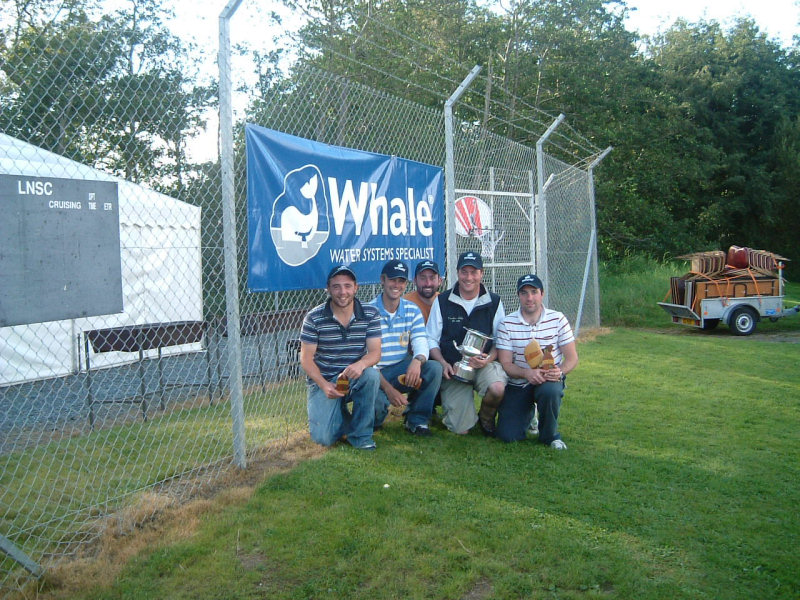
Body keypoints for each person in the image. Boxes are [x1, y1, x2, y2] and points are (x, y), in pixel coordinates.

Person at [299, 264, 382, 450]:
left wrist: (361, 364)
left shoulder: (370, 314)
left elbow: (375, 353)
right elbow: (306, 359)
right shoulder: (313, 318)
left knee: (371, 375)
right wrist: (323, 384)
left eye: (347, 286)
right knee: (324, 438)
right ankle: (340, 414)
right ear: (328, 289)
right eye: (336, 286)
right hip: (325, 381)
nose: (342, 292)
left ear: (356, 287)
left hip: (354, 378)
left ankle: (361, 437)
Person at [426, 251, 507, 435]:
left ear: (481, 274)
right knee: (460, 429)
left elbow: (501, 340)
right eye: (464, 272)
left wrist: (488, 360)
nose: (469, 277)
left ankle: (486, 417)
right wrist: (443, 363)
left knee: (497, 388)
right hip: (454, 370)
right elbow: (431, 338)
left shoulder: (494, 302)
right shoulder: (442, 300)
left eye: (474, 272)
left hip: (482, 366)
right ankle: (462, 414)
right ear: (457, 273)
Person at [495, 274, 579, 448]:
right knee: (507, 435)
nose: (529, 298)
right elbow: (506, 364)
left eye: (534, 292)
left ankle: (550, 436)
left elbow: (572, 358)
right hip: (519, 383)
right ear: (518, 295)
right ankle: (530, 416)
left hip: (548, 380)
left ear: (542, 293)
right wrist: (527, 373)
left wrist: (560, 371)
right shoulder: (507, 323)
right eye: (524, 293)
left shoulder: (558, 319)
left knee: (550, 391)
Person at [369, 260, 443, 436]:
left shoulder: (412, 309)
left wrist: (417, 361)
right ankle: (372, 417)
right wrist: (389, 389)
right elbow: (367, 362)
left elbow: (421, 342)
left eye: (401, 281)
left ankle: (416, 420)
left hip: (400, 368)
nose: (397, 285)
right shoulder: (368, 311)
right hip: (375, 374)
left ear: (406, 284)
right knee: (375, 416)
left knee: (433, 368)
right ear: (383, 280)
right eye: (392, 280)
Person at [404, 259, 443, 323]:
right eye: (423, 278)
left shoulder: (445, 303)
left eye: (432, 278)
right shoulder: (405, 304)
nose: (428, 283)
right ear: (415, 281)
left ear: (440, 281)